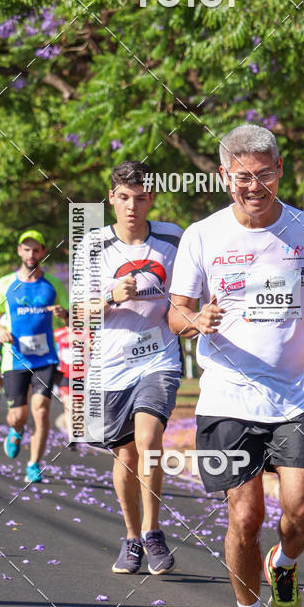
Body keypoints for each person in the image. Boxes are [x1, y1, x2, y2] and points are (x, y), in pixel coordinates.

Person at [168, 124, 304, 607]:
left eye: (264, 174)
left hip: (297, 397)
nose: (253, 185)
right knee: (245, 518)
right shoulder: (202, 235)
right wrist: (196, 318)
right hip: (226, 399)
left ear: (280, 171)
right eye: (242, 176)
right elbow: (174, 313)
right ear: (225, 177)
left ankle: (284, 565)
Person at [75, 161, 183, 575]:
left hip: (159, 359)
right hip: (112, 364)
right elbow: (77, 314)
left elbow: (187, 296)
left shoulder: (173, 238)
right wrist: (109, 295)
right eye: (124, 198)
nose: (132, 207)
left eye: (140, 198)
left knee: (149, 438)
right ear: (111, 199)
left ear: (151, 198)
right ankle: (132, 537)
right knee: (124, 455)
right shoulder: (92, 245)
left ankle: (154, 532)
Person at [0, 230, 69, 483]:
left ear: (42, 251)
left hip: (45, 358)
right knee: (18, 415)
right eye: (26, 249)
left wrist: (64, 313)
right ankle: (16, 431)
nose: (31, 254)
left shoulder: (53, 284)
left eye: (36, 249)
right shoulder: (5, 284)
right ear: (19, 251)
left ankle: (34, 464)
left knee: (41, 411)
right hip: (14, 358)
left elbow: (71, 316)